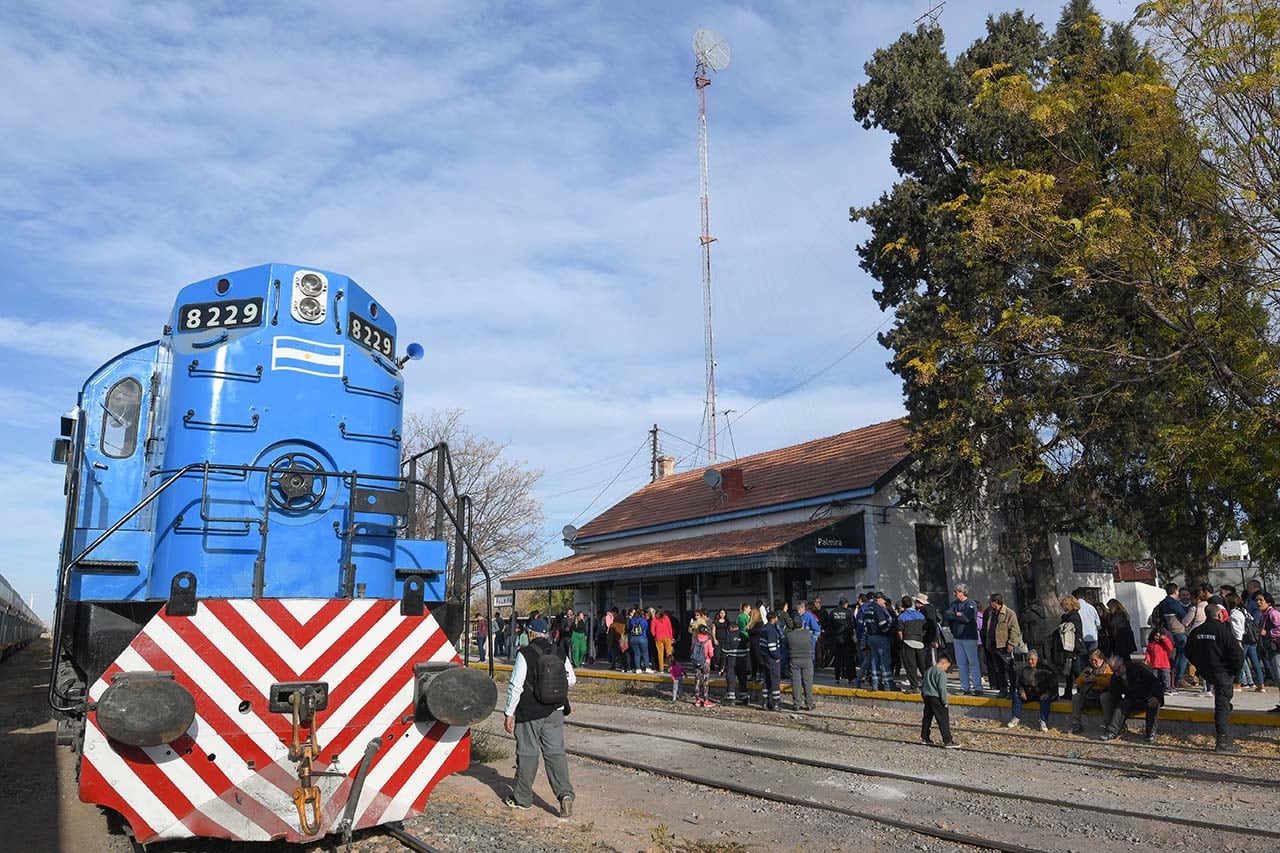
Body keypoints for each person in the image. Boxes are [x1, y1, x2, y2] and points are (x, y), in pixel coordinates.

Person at [503, 617, 576, 816]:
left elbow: (516, 685)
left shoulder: (524, 653)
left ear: (530, 633)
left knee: (528, 753)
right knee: (555, 753)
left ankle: (522, 798)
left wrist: (509, 713)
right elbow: (572, 680)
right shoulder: (559, 652)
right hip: (556, 710)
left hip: (530, 713)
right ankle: (565, 795)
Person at [1187, 603, 1245, 751]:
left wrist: (1200, 666)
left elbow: (1188, 651)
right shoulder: (1223, 631)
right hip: (1223, 673)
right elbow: (1237, 654)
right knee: (1222, 705)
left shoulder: (1196, 631)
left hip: (1208, 673)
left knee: (1224, 701)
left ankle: (1224, 716)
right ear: (1219, 615)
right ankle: (1222, 741)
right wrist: (1233, 671)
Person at [1102, 655, 1164, 743]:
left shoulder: (1137, 669)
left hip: (1147, 696)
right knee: (1122, 704)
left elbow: (1155, 683)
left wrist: (1157, 697)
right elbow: (1116, 696)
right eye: (1113, 671)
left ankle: (1151, 733)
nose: (1116, 673)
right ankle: (1112, 731)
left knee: (1154, 703)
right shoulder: (1115, 677)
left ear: (1123, 665)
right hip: (1132, 699)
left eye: (1117, 670)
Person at [982, 594, 1021, 699]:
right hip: (994, 645)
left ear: (996, 602)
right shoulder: (992, 613)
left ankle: (1012, 690)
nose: (989, 604)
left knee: (1009, 668)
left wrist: (1011, 643)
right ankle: (1003, 689)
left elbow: (1015, 630)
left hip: (1004, 646)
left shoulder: (1009, 613)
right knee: (999, 669)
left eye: (991, 601)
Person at [1068, 648, 1115, 736]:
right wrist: (1083, 680)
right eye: (1091, 660)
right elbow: (1077, 682)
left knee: (1105, 696)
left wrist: (1096, 679)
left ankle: (1109, 723)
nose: (1093, 662)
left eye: (1095, 660)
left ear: (1101, 659)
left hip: (1102, 696)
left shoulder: (1108, 669)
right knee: (1076, 697)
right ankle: (1076, 724)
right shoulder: (1089, 669)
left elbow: (1109, 682)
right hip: (1089, 695)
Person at [1007, 649, 1057, 731]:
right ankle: (1015, 717)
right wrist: (1022, 691)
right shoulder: (1025, 670)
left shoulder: (1046, 670)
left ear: (1037, 659)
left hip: (1042, 693)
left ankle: (1043, 721)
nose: (1030, 661)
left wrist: (1048, 693)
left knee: (1045, 699)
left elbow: (1053, 685)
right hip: (1030, 694)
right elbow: (1019, 683)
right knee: (1016, 695)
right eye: (1028, 659)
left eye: (1032, 659)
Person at [945, 584, 981, 695]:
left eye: (956, 591)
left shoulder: (971, 603)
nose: (954, 594)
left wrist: (956, 615)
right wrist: (957, 614)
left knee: (973, 663)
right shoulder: (954, 604)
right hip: (957, 637)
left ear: (962, 592)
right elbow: (947, 614)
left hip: (969, 636)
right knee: (961, 663)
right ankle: (965, 687)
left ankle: (978, 687)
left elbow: (967, 618)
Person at [857, 592, 897, 691]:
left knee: (874, 661)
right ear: (878, 599)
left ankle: (876, 684)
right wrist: (889, 630)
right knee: (884, 660)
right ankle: (888, 684)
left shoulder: (867, 609)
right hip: (881, 637)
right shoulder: (878, 609)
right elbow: (883, 625)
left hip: (871, 637)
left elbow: (864, 626)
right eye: (883, 600)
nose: (884, 602)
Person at [1227, 592, 1265, 692]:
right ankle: (1261, 684)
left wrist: (1238, 641)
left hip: (1242, 639)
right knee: (1255, 662)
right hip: (1251, 639)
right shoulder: (1244, 610)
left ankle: (1238, 683)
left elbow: (1237, 629)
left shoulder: (1234, 612)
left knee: (1239, 661)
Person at [920, 652, 959, 748]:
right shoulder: (941, 673)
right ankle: (947, 740)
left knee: (927, 718)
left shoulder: (928, 670)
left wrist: (923, 696)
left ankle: (925, 737)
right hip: (936, 697)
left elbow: (923, 684)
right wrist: (945, 701)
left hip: (927, 696)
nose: (947, 669)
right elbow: (942, 688)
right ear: (943, 663)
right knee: (943, 719)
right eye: (947, 667)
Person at [1155, 582, 1190, 688]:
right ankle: (1179, 677)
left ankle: (1173, 676)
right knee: (1184, 653)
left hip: (1168, 631)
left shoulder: (1163, 603)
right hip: (1178, 630)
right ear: (1175, 591)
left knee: (1175, 654)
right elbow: (1184, 615)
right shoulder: (1173, 603)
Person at [1052, 595, 1084, 700]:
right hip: (1069, 647)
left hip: (1072, 648)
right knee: (1069, 671)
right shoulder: (1069, 615)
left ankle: (1081, 691)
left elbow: (1071, 630)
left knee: (1075, 671)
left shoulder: (1073, 616)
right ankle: (1069, 691)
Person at [787, 600, 818, 711]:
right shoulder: (807, 634)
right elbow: (815, 633)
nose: (798, 611)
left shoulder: (790, 635)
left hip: (795, 659)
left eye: (799, 609)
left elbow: (817, 630)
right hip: (806, 657)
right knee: (807, 681)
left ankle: (796, 704)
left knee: (796, 682)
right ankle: (809, 703)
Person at [897, 595, 928, 692]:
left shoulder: (902, 616)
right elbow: (925, 628)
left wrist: (902, 641)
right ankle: (927, 684)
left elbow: (899, 632)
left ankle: (914, 686)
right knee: (923, 665)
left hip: (907, 641)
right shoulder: (920, 615)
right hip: (919, 642)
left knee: (911, 666)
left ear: (903, 605)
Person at [1256, 591, 1280, 712]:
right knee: (1276, 677)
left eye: (1261, 600)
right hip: (1269, 650)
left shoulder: (1273, 614)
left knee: (1279, 676)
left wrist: (1268, 633)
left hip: (1276, 649)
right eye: (1257, 600)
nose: (1258, 603)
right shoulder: (1264, 614)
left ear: (1268, 602)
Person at [722, 608, 750, 706]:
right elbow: (748, 650)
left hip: (732, 660)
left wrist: (722, 666)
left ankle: (731, 698)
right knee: (742, 679)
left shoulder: (729, 636)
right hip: (742, 660)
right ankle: (745, 698)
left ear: (731, 628)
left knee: (731, 678)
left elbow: (725, 652)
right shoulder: (744, 636)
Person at [760, 610, 784, 711]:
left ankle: (765, 702)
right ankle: (775, 702)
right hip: (772, 658)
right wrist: (777, 657)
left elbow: (761, 644)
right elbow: (772, 646)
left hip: (765, 657)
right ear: (774, 619)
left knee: (766, 679)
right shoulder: (771, 630)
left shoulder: (764, 628)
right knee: (775, 679)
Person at [829, 596, 856, 683]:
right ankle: (850, 678)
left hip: (836, 639)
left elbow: (829, 626)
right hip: (846, 639)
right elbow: (853, 625)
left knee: (838, 659)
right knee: (848, 659)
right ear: (846, 604)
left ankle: (837, 677)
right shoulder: (849, 612)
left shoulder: (833, 612)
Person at [691, 625, 716, 708]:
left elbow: (691, 649)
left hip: (696, 662)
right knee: (705, 682)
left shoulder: (695, 639)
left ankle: (697, 700)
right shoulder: (708, 641)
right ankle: (705, 700)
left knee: (697, 681)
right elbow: (711, 654)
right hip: (705, 663)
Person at [1020, 597, 1051, 662]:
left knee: (1033, 658)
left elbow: (1021, 621)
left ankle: (1036, 671)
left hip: (1032, 639)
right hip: (1042, 638)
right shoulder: (1042, 612)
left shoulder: (1029, 612)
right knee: (1040, 657)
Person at [1145, 626, 1175, 692]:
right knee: (1154, 677)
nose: (1157, 637)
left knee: (1166, 677)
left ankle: (1167, 688)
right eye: (1156, 635)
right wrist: (1147, 658)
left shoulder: (1164, 643)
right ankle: (1156, 688)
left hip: (1164, 663)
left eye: (1159, 636)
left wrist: (1164, 639)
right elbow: (1148, 652)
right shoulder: (1151, 643)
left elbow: (1170, 647)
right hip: (1155, 664)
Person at [627, 608, 651, 673]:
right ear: (642, 614)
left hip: (633, 639)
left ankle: (638, 668)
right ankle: (647, 668)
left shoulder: (632, 620)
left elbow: (630, 628)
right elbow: (646, 629)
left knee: (636, 654)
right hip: (642, 638)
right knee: (645, 653)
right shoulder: (644, 620)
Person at [650, 608, 674, 673]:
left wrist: (655, 635)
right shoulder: (666, 618)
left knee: (660, 654)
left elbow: (652, 630)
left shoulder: (654, 619)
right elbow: (670, 628)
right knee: (669, 653)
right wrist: (671, 637)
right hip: (667, 637)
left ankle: (661, 669)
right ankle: (671, 667)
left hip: (658, 638)